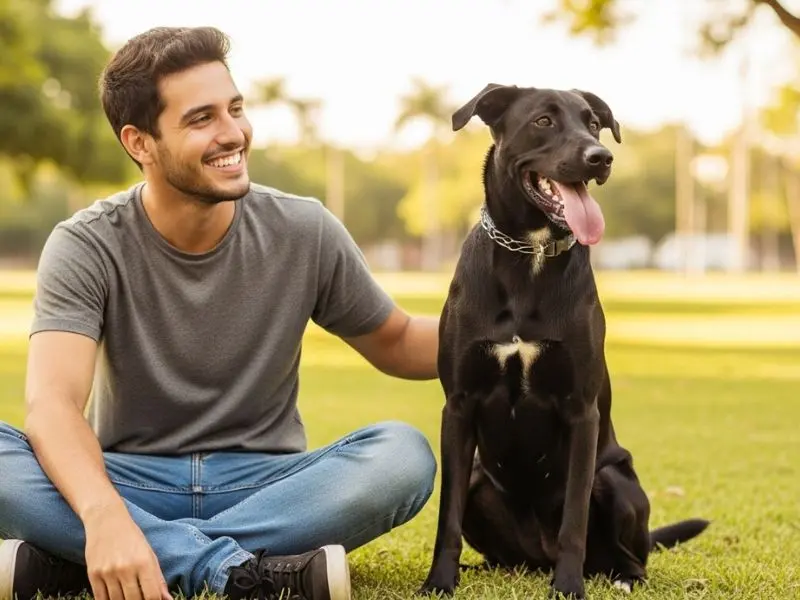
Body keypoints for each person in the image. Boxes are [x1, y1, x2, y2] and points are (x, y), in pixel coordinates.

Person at [0, 26, 441, 600]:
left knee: (402, 456)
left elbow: (399, 340)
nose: (232, 133)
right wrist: (105, 512)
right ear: (139, 143)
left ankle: (106, 561)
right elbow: (53, 405)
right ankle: (233, 570)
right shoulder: (86, 244)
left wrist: (507, 325)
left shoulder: (304, 230)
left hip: (269, 487)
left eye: (234, 108)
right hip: (130, 480)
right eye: (201, 118)